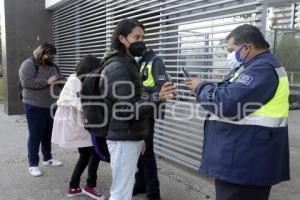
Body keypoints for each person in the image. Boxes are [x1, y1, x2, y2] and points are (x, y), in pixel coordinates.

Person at [186, 24, 290, 200]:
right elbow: (230, 93)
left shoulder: (262, 69)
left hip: (247, 162)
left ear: (247, 47)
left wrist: (201, 87)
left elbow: (228, 104)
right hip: (241, 157)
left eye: (231, 50)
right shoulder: (251, 67)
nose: (229, 55)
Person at [99, 18, 176, 200]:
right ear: (122, 38)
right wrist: (158, 96)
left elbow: (135, 98)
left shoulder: (129, 62)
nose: (141, 41)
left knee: (124, 189)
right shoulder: (118, 66)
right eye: (136, 37)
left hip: (131, 134)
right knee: (121, 193)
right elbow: (127, 108)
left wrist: (141, 138)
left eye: (143, 37)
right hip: (123, 136)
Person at [51, 55, 105, 200]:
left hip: (76, 119)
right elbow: (81, 105)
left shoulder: (77, 79)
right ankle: (88, 186)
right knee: (93, 152)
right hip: (74, 121)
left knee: (88, 153)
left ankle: (75, 186)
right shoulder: (76, 82)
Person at [19, 43, 63, 177]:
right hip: (34, 106)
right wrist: (47, 82)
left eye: (53, 55)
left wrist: (61, 81)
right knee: (35, 135)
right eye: (49, 55)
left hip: (50, 106)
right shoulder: (29, 64)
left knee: (47, 134)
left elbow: (57, 80)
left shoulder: (52, 65)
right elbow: (26, 82)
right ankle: (33, 165)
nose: (51, 57)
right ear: (41, 52)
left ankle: (48, 159)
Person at [133, 48, 167, 200]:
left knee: (147, 153)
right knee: (139, 152)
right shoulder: (139, 61)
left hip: (148, 112)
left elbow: (162, 89)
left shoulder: (155, 61)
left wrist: (139, 91)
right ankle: (141, 184)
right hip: (138, 110)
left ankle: (154, 193)